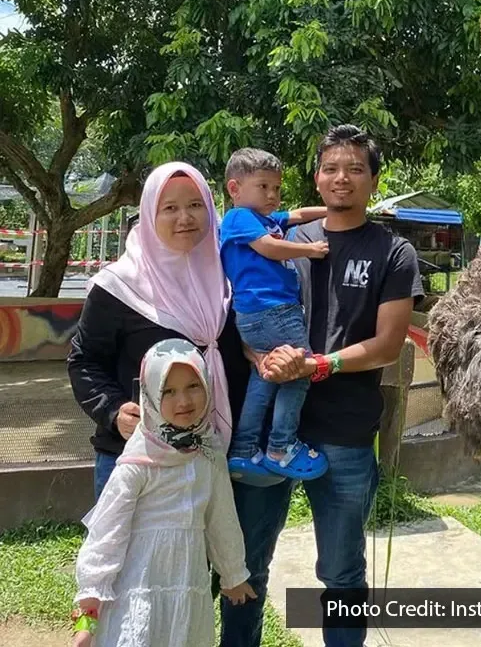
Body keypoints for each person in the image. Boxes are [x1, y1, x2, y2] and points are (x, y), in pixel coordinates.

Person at [220, 125, 424, 647]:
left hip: (344, 434)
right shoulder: (282, 239)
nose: (342, 178)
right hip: (267, 433)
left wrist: (317, 365)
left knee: (341, 572)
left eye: (355, 168)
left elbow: (386, 345)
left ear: (373, 180)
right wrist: (256, 354)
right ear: (316, 178)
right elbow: (236, 304)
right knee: (246, 566)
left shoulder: (393, 252)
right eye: (331, 168)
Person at [67, 161, 251, 499]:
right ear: (149, 213)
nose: (185, 217)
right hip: (141, 459)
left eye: (195, 205)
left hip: (227, 457)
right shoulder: (119, 287)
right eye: (170, 208)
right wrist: (113, 410)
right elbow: (85, 361)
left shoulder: (232, 277)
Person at [71, 339, 256, 647]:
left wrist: (233, 573)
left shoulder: (208, 452)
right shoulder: (137, 463)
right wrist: (88, 615)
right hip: (137, 590)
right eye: (168, 391)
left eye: (193, 386)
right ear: (151, 394)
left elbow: (221, 518)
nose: (183, 400)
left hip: (188, 586)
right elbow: (107, 535)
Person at [219, 147, 330, 482]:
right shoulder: (238, 218)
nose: (272, 194)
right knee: (300, 370)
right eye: (263, 186)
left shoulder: (266, 219)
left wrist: (334, 208)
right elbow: (268, 247)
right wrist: (310, 250)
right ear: (235, 188)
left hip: (258, 315)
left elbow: (298, 214)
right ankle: (282, 447)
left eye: (277, 188)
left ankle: (244, 449)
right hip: (273, 311)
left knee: (265, 376)